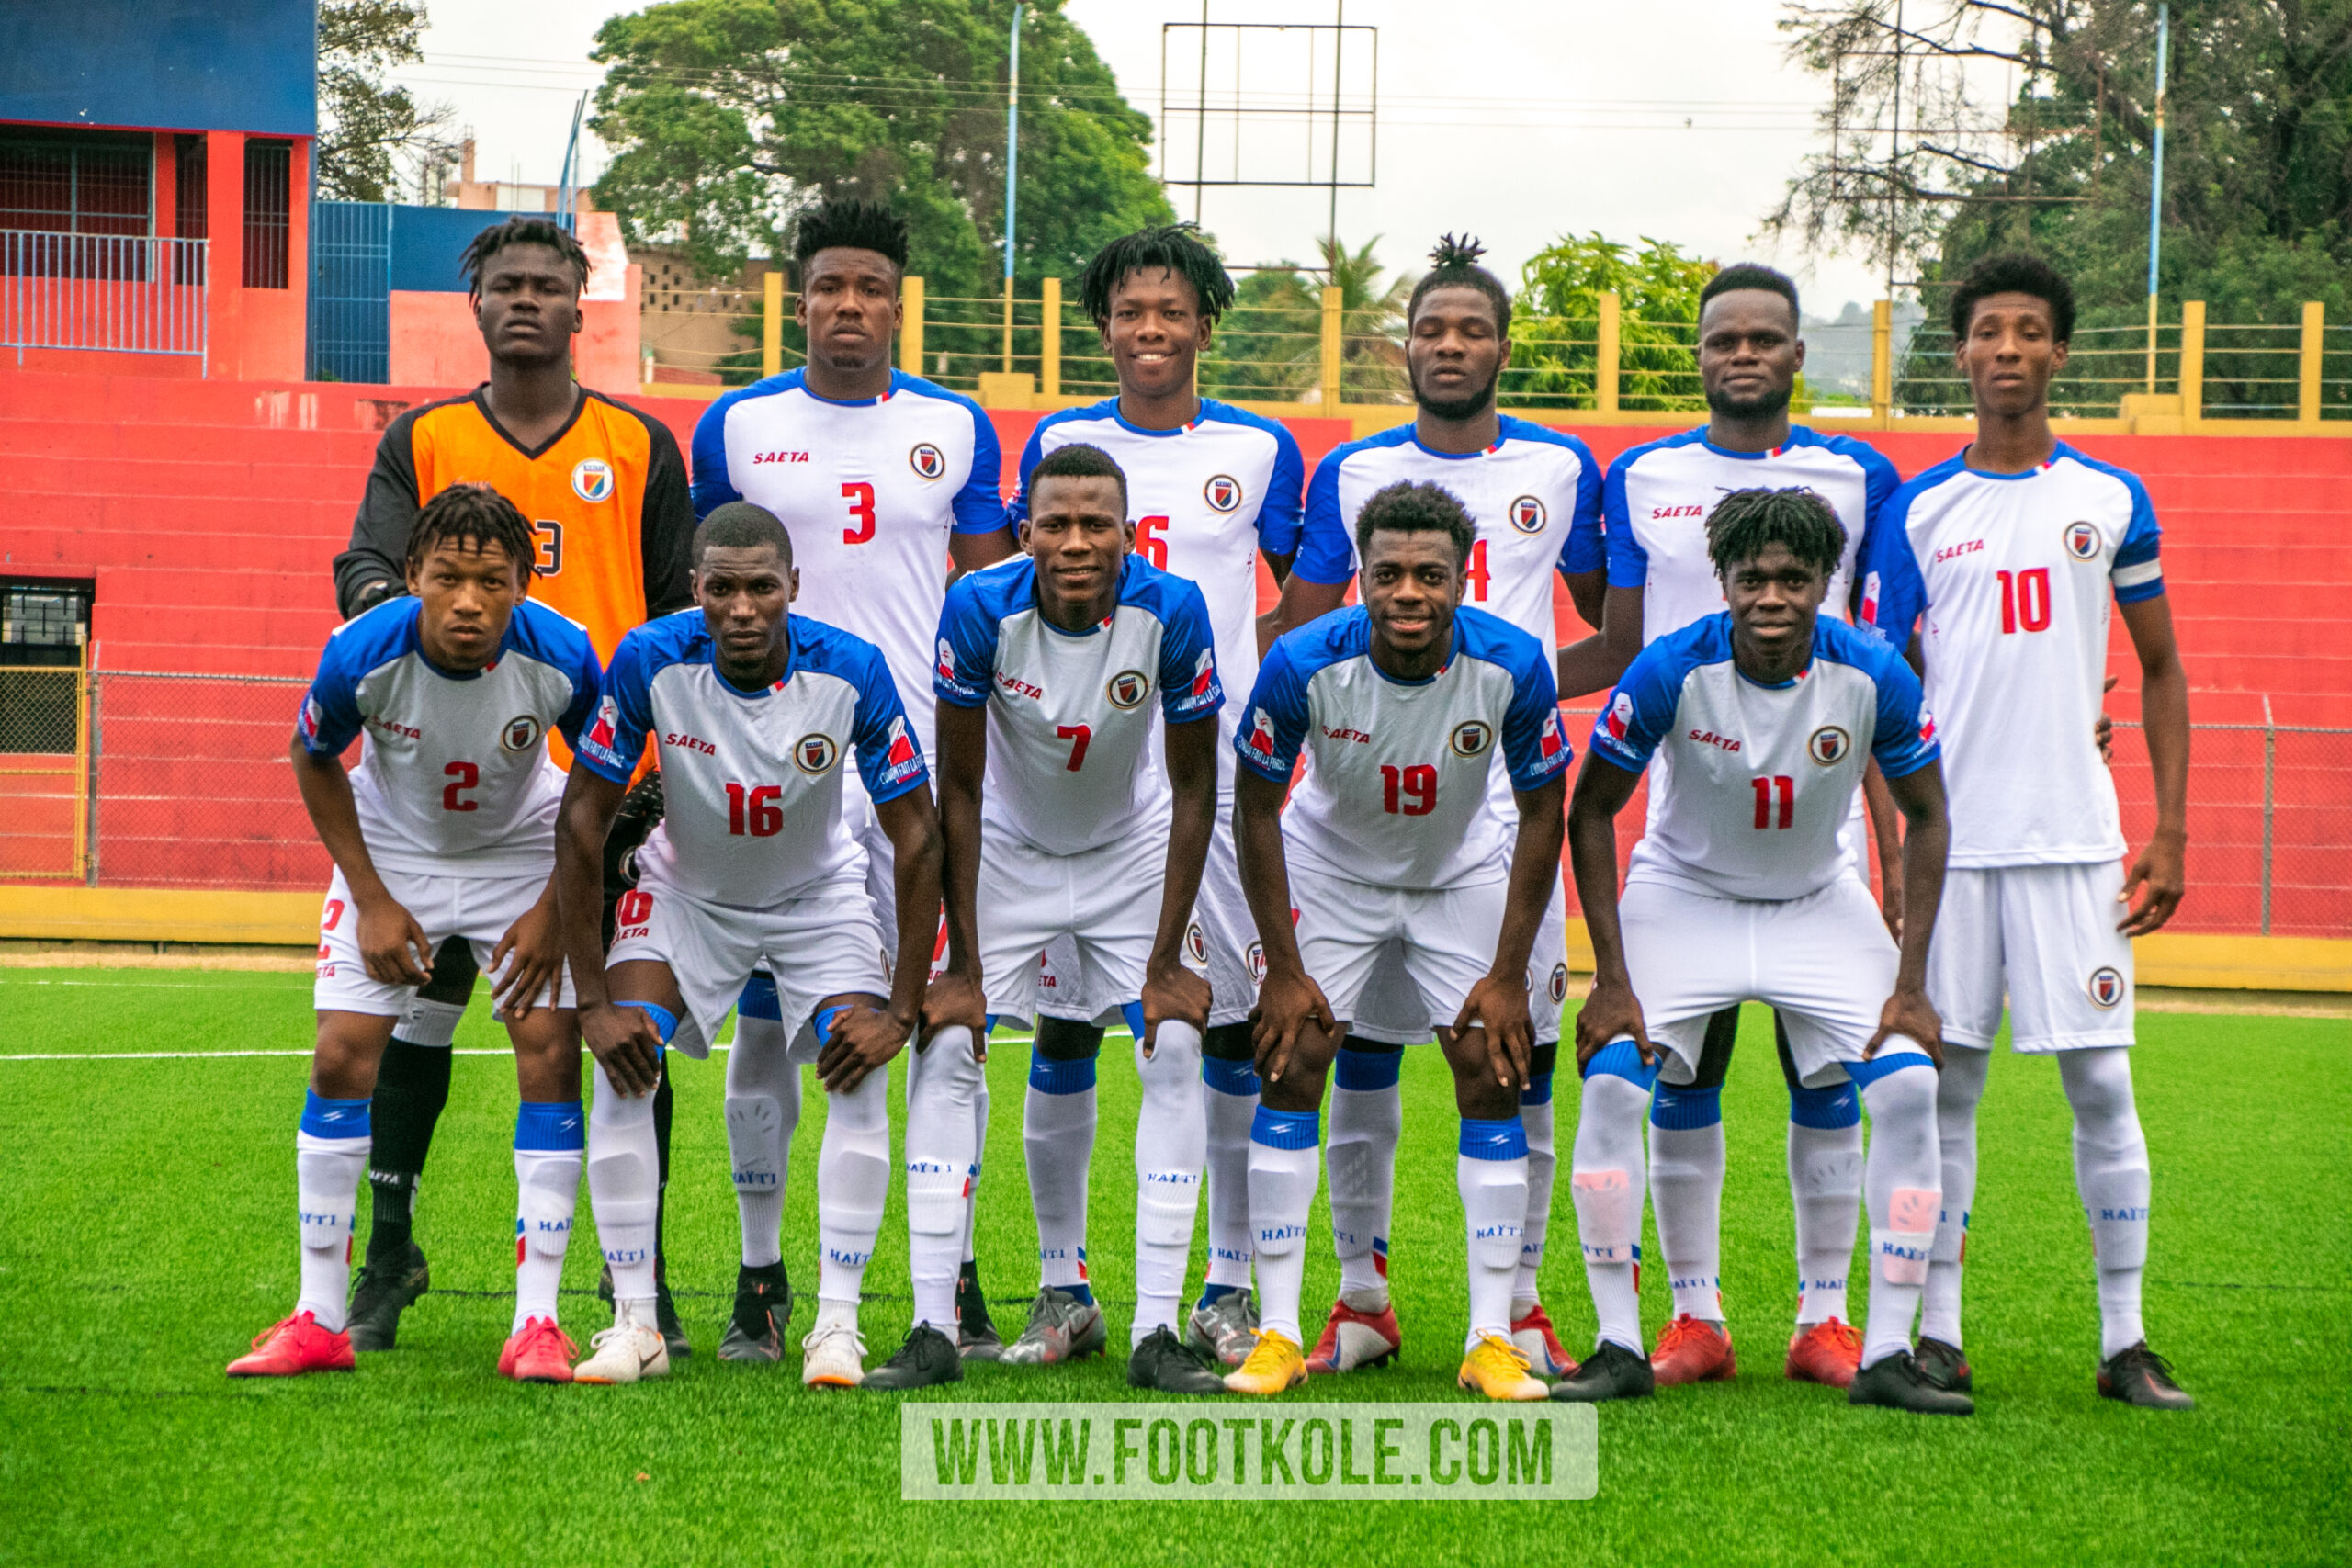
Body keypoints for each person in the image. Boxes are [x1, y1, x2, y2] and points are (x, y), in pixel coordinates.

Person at [328, 215, 695, 1359]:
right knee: (415, 1010)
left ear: (580, 306)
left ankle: (636, 1281)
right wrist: (440, 648)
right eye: (505, 284)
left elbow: (681, 608)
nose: (526, 299)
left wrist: (653, 764)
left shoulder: (639, 444)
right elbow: (364, 575)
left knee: (618, 1011)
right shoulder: (424, 438)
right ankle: (389, 1251)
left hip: (609, 784)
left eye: (547, 283)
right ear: (476, 305)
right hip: (450, 787)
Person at [1557, 262, 1909, 1391]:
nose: (1744, 353)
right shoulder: (1641, 474)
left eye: (1767, 337)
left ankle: (1840, 1327)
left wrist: (1891, 854)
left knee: (1872, 1086)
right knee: (1655, 1080)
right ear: (1699, 353)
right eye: (1723, 339)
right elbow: (1612, 659)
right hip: (1686, 840)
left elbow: (1901, 653)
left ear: (1799, 355)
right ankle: (1680, 1323)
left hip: (1819, 852)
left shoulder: (1859, 477)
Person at [1860, 253, 2194, 1410]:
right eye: (1987, 332)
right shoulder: (1917, 510)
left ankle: (2124, 1338)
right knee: (1941, 1094)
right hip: (1951, 852)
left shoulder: (2109, 499)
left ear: (2059, 353)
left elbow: (2157, 670)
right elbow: (1878, 694)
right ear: (1958, 354)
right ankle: (1938, 1334)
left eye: (2029, 332)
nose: (2007, 349)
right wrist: (1888, 847)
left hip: (2075, 848)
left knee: (2101, 1086)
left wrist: (2170, 834)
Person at [1551, 486, 1965, 1416]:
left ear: (1825, 583)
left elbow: (1933, 814)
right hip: (1684, 896)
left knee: (1906, 1084)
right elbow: (1590, 809)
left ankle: (1872, 1344)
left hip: (1816, 901)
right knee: (1616, 1080)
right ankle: (1637, 1337)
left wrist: (1911, 987)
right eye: (1751, 578)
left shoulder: (1872, 674)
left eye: (1792, 578)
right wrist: (1610, 980)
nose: (1770, 597)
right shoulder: (1670, 669)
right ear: (1723, 583)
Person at [1269, 235, 1605, 1380]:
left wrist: (1512, 695)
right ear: (1401, 345)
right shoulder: (1351, 472)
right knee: (1352, 1055)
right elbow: (1303, 624)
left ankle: (1512, 1310)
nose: (1448, 346)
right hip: (1358, 796)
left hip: (1494, 806)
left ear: (1502, 348)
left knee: (1514, 1055)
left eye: (1470, 329)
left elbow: (1616, 627)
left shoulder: (1561, 467)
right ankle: (1362, 1302)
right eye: (1430, 328)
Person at [690, 199, 1012, 1361]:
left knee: (937, 1025)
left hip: (914, 770)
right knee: (771, 1022)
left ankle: (950, 1273)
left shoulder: (956, 427)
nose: (849, 307)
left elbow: (985, 606)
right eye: (829, 286)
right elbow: (706, 595)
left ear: (896, 302)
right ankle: (761, 1281)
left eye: (871, 288)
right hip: (773, 767)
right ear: (801, 295)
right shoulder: (735, 424)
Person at [1001, 222, 1305, 1368]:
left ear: (1203, 325)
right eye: (1129, 311)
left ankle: (1225, 1288)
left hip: (1206, 786)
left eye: (1170, 311)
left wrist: (1214, 683)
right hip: (1074, 784)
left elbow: (1300, 601)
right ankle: (1061, 1285)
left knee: (1220, 1029)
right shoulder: (1061, 442)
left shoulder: (1262, 450)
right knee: (1067, 1027)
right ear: (1104, 326)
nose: (1149, 330)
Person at [553, 502, 944, 1388]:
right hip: (689, 893)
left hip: (816, 895)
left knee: (858, 1059)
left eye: (761, 587)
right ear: (695, 590)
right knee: (626, 1053)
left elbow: (917, 835)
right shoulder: (650, 659)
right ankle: (635, 1323)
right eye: (721, 588)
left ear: (793, 589)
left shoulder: (853, 670)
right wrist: (591, 1000)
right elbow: (581, 820)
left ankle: (837, 1328)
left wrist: (906, 1006)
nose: (741, 608)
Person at [872, 444, 1227, 1393]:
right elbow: (959, 785)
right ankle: (930, 1326)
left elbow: (1195, 787)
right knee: (946, 1046)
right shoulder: (980, 606)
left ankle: (1156, 1330)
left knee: (1180, 1045)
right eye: (1056, 525)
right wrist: (969, 971)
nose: (1076, 542)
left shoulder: (1172, 609)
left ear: (1127, 533)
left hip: (1130, 851)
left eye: (1096, 524)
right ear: (1025, 533)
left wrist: (1161, 962)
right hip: (1009, 852)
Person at [230, 486, 603, 1382]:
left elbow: (602, 776)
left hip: (521, 851)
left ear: (523, 582)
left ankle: (538, 1323)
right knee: (339, 1058)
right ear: (412, 577)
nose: (468, 600)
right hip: (394, 852)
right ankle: (319, 1316)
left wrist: (555, 906)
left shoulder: (565, 654)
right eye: (447, 579)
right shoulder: (359, 653)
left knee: (548, 1054)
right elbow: (311, 755)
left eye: (491, 580)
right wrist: (371, 897)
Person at [1226, 479, 1574, 1403]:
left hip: (1456, 870)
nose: (1408, 591)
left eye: (1429, 574)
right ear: (1361, 580)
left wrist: (1507, 973)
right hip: (1331, 866)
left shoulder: (1512, 664)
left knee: (1489, 1065)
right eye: (1388, 573)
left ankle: (1491, 1337)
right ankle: (1279, 1332)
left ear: (1463, 578)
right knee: (1292, 1059)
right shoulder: (1302, 660)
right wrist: (1284, 970)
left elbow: (1543, 813)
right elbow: (1254, 806)